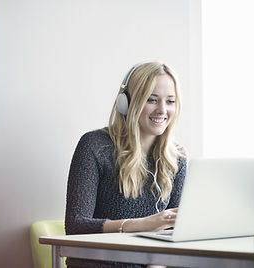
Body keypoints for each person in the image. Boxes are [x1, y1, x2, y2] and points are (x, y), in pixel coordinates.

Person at [65, 62, 187, 268]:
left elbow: (176, 231)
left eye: (170, 101)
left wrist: (157, 264)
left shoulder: (177, 158)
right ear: (127, 103)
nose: (162, 110)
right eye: (152, 100)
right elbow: (76, 225)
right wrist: (142, 225)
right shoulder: (95, 146)